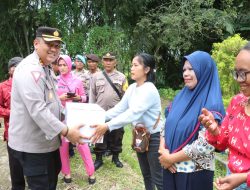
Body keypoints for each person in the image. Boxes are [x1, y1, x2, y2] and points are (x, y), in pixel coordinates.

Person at [8, 26, 86, 190]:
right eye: (49, 44)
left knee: (50, 180)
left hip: (44, 143)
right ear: (36, 43)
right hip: (33, 148)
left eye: (57, 46)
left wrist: (71, 117)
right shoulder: (30, 69)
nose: (54, 49)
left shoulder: (46, 67)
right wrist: (66, 131)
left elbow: (53, 102)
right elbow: (38, 109)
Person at [91, 53, 163, 190]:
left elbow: (132, 113)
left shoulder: (149, 89)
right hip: (140, 135)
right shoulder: (132, 88)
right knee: (146, 174)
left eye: (135, 65)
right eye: (131, 65)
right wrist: (99, 118)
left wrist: (107, 126)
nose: (132, 68)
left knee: (158, 178)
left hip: (154, 137)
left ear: (146, 69)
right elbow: (119, 109)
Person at [159, 51, 225, 190]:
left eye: (191, 69)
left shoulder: (211, 103)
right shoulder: (180, 97)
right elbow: (166, 124)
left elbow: (206, 144)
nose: (185, 74)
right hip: (169, 167)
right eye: (184, 69)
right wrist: (162, 151)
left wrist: (171, 158)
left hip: (194, 174)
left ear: (204, 71)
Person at [199, 43, 250, 190]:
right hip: (231, 178)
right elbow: (223, 142)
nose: (238, 79)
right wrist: (214, 129)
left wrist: (245, 178)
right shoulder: (237, 102)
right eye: (236, 73)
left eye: (243, 73)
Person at [57, 54, 96, 184]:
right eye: (60, 65)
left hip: (75, 116)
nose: (62, 67)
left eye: (64, 65)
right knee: (63, 147)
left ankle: (91, 173)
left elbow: (84, 97)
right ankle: (66, 174)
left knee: (82, 144)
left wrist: (78, 98)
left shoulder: (77, 80)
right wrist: (60, 98)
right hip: (61, 117)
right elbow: (51, 100)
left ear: (69, 65)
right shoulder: (55, 81)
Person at [89, 52, 128, 170]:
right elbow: (92, 95)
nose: (108, 62)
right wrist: (91, 111)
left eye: (110, 60)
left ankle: (115, 158)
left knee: (117, 136)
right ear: (102, 62)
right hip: (100, 113)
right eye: (105, 60)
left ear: (115, 62)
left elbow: (126, 96)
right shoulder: (96, 77)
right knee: (99, 136)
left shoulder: (122, 77)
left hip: (116, 114)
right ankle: (99, 159)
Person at [0, 57, 23, 142]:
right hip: (12, 132)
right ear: (9, 70)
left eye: (21, 66)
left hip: (30, 133)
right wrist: (11, 112)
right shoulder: (2, 87)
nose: (17, 68)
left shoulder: (31, 85)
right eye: (14, 66)